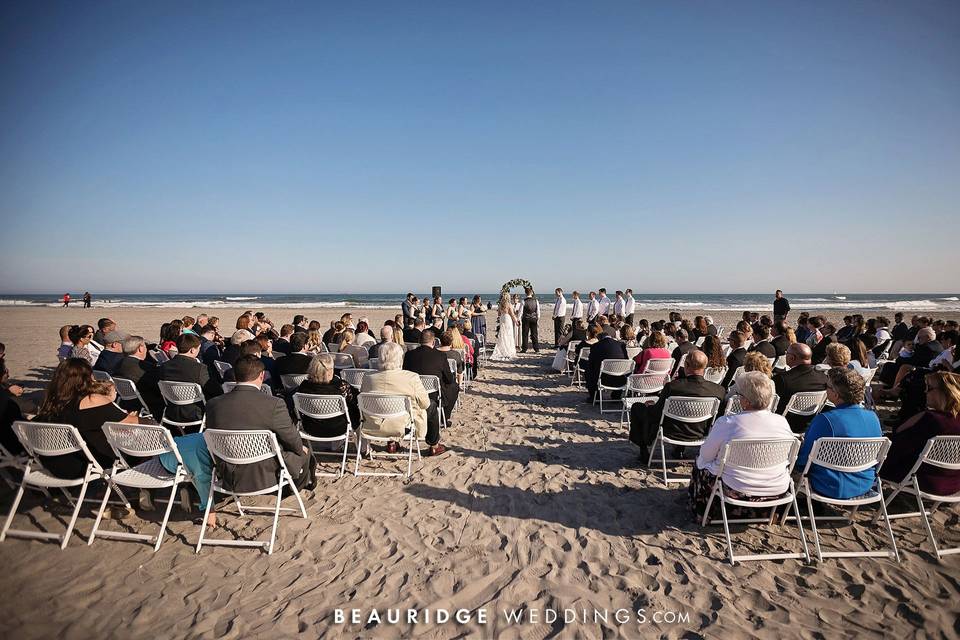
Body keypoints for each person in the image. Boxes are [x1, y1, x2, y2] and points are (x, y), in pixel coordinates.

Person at [689, 372, 795, 519]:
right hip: (775, 488)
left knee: (700, 463)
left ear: (745, 401)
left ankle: (702, 512)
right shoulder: (782, 422)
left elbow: (705, 456)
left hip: (736, 487)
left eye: (739, 395)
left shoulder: (727, 423)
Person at [204, 355, 312, 491]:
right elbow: (291, 438)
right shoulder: (273, 404)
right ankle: (293, 489)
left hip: (229, 470)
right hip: (264, 473)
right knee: (304, 448)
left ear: (236, 375)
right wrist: (300, 449)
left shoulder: (213, 404)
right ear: (261, 376)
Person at [33, 358, 138, 478]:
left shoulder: (52, 400)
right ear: (86, 378)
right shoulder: (89, 401)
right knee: (143, 444)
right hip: (82, 466)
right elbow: (132, 422)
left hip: (53, 464)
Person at [795, 368, 882, 498]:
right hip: (864, 482)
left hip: (830, 485)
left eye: (827, 386)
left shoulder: (825, 420)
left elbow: (803, 460)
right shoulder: (873, 417)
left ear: (836, 394)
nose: (825, 389)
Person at [628, 350, 726, 460]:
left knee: (637, 407)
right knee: (687, 413)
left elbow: (656, 414)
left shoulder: (672, 387)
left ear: (686, 365)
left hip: (671, 431)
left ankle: (643, 449)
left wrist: (650, 406)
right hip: (700, 432)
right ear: (705, 366)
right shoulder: (718, 390)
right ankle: (679, 450)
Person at [880, 371, 960, 495]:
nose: (925, 392)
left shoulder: (931, 419)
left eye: (929, 388)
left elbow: (898, 447)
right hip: (953, 484)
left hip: (923, 480)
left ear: (945, 392)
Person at [361, 342, 445, 456]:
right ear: (400, 358)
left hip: (375, 423)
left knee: (385, 405)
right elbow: (425, 403)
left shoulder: (368, 378)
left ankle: (392, 443)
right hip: (403, 424)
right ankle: (434, 445)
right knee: (432, 405)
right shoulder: (410, 377)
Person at [139, 333, 223, 428]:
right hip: (196, 413)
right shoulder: (199, 369)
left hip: (172, 411)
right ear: (192, 350)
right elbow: (217, 391)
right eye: (198, 349)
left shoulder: (164, 367)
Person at [295, 353, 360, 443]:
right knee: (355, 409)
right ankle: (361, 447)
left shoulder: (304, 386)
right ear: (330, 371)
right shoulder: (341, 386)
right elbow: (356, 400)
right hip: (338, 428)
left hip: (312, 427)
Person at [403, 330, 459, 425]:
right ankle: (444, 416)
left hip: (414, 391)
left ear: (420, 341)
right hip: (434, 393)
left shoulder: (409, 355)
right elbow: (449, 378)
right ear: (433, 342)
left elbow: (405, 373)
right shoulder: (440, 356)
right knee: (454, 386)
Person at [773, 343, 829, 433]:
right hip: (807, 426)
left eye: (787, 353)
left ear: (792, 358)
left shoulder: (782, 379)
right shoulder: (823, 378)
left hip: (783, 426)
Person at [585, 327, 628, 403]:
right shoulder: (621, 345)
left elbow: (591, 363)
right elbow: (626, 360)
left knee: (588, 370)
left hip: (603, 379)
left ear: (600, 338)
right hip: (620, 378)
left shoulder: (596, 346)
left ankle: (595, 397)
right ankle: (616, 395)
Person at [490, 292, 519, 361]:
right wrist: (516, 321)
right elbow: (512, 314)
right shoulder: (509, 304)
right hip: (507, 319)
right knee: (508, 334)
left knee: (503, 334)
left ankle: (502, 350)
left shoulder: (500, 305)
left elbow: (499, 314)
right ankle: (508, 350)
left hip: (502, 318)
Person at [520, 287, 540, 353]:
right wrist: (537, 318)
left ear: (525, 293)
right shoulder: (536, 300)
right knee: (534, 334)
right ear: (531, 293)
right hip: (534, 319)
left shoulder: (523, 301)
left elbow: (520, 312)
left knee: (525, 334)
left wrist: (518, 319)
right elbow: (538, 311)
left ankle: (524, 349)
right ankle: (536, 349)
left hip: (526, 319)